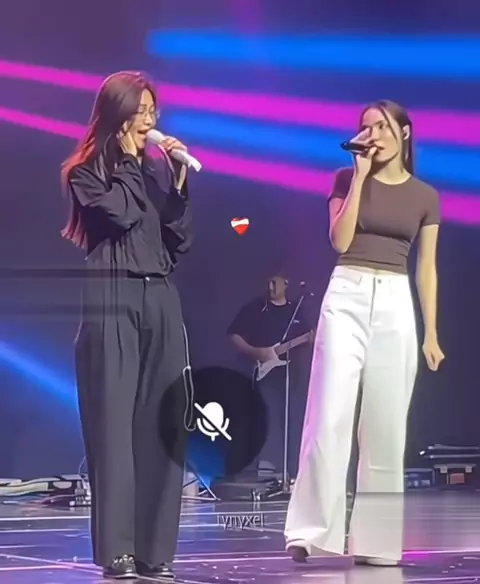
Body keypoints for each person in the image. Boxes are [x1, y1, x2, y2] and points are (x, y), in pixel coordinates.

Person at [284, 100, 445, 566]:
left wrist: (431, 333)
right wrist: (359, 177)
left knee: (386, 425)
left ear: (404, 134)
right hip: (348, 292)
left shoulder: (425, 196)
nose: (372, 135)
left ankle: (377, 542)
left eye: (382, 127)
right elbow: (340, 240)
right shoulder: (344, 179)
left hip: (395, 300)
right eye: (365, 128)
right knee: (328, 414)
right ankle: (310, 532)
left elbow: (427, 269)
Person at [61, 70, 194, 580]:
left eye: (152, 111)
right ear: (116, 116)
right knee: (113, 428)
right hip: (112, 298)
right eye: (139, 111)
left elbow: (178, 241)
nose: (148, 121)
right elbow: (117, 215)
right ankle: (117, 551)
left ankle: (154, 551)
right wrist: (128, 164)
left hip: (160, 297)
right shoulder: (85, 172)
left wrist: (177, 183)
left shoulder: (153, 176)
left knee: (161, 426)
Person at [227, 272, 315, 480]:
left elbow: (310, 336)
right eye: (268, 283)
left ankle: (293, 472)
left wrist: (312, 338)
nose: (270, 287)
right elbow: (234, 335)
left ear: (286, 283)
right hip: (265, 376)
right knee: (267, 417)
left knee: (294, 420)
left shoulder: (296, 311)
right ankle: (266, 470)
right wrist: (256, 352)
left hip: (292, 376)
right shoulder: (256, 308)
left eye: (274, 283)